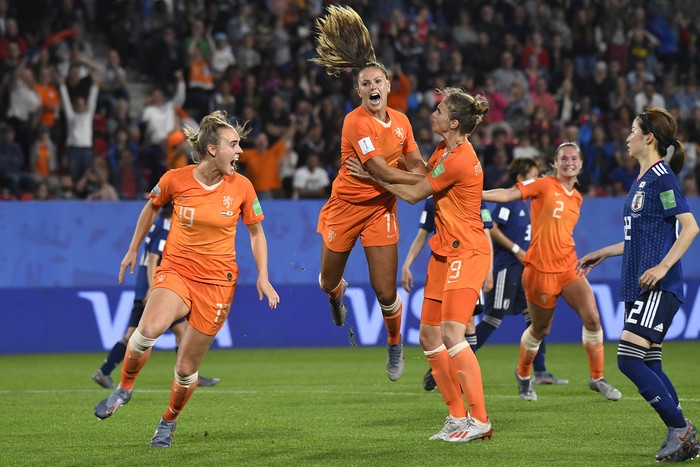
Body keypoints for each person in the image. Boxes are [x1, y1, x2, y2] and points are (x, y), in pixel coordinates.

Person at [93, 110, 279, 449]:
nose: (240, 152)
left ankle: (168, 421)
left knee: (185, 368)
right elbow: (151, 207)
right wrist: (133, 249)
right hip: (176, 269)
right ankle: (124, 387)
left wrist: (263, 276)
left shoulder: (242, 186)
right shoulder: (175, 179)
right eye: (234, 145)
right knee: (146, 331)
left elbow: (256, 233)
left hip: (218, 284)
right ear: (212, 150)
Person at [349, 87, 493, 442]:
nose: (434, 114)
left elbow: (415, 195)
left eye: (440, 110)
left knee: (452, 334)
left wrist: (374, 177)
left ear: (454, 123)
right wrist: (380, 175)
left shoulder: (461, 158)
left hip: (468, 252)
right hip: (444, 252)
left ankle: (480, 420)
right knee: (429, 335)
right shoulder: (446, 149)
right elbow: (422, 180)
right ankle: (457, 416)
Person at [576, 107, 699, 462]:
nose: (627, 136)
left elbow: (689, 227)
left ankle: (681, 428)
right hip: (638, 285)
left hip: (657, 286)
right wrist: (602, 252)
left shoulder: (662, 178)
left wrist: (662, 267)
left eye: (633, 130)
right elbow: (638, 237)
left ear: (649, 138)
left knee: (628, 359)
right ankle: (683, 434)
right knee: (650, 363)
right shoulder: (643, 178)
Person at [311, 5, 427, 381]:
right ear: (358, 90)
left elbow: (418, 166)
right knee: (328, 280)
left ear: (389, 86)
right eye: (366, 83)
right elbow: (378, 169)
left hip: (381, 210)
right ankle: (335, 294)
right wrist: (429, 183)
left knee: (385, 291)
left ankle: (395, 346)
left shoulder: (403, 122)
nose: (373, 87)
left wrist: (429, 177)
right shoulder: (355, 121)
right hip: (345, 208)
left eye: (378, 81)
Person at [482, 143, 622, 402]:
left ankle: (597, 377)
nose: (569, 162)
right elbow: (508, 194)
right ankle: (523, 373)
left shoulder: (577, 198)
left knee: (592, 317)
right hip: (540, 270)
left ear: (580, 164)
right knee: (540, 330)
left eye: (574, 158)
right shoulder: (544, 184)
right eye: (563, 158)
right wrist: (477, 193)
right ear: (556, 164)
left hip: (569, 266)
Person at [92, 202, 220, 390]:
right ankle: (104, 372)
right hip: (155, 289)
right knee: (135, 335)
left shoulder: (161, 222)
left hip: (152, 287)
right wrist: (154, 290)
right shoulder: (166, 226)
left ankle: (104, 371)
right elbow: (153, 259)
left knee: (176, 332)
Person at [475, 157, 568, 387]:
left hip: (525, 269)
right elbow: (492, 227)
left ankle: (541, 371)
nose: (536, 180)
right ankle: (456, 360)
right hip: (508, 266)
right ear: (519, 178)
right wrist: (516, 249)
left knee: (534, 320)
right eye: (532, 175)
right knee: (493, 317)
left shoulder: (529, 203)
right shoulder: (511, 202)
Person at [401, 196, 494, 392]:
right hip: (443, 267)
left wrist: (489, 270)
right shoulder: (431, 201)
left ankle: (464, 378)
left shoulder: (474, 198)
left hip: (469, 263)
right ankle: (447, 369)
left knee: (467, 322)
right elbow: (422, 235)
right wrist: (407, 263)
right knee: (442, 328)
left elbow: (486, 234)